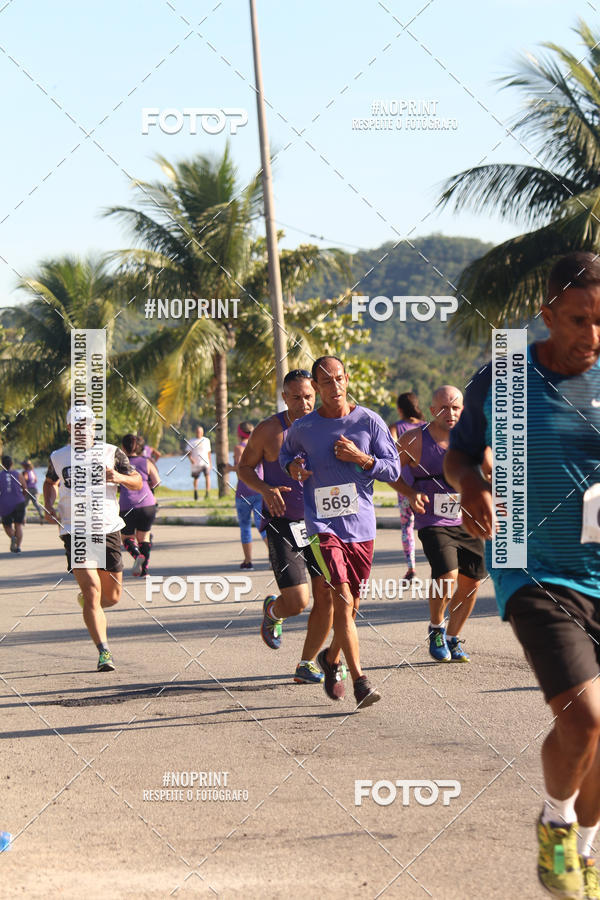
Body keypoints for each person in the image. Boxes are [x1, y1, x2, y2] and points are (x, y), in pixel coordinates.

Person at [445, 251, 600, 899]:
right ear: (546, 315)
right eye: (577, 319)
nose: (591, 336)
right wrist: (474, 484)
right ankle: (555, 819)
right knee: (586, 719)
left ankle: (583, 847)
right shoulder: (508, 374)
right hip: (531, 569)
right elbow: (458, 453)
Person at [280, 356, 401, 708]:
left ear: (347, 379)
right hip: (321, 526)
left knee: (352, 606)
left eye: (339, 379)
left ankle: (330, 660)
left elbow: (393, 470)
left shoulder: (369, 421)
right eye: (326, 382)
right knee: (342, 600)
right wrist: (294, 468)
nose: (334, 387)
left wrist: (361, 458)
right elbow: (285, 458)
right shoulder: (303, 428)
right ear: (316, 387)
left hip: (361, 527)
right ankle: (360, 680)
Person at [238, 369, 333, 685]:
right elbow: (245, 469)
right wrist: (266, 489)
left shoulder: (330, 427)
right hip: (283, 522)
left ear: (316, 393)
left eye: (308, 396)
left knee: (327, 594)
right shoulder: (268, 431)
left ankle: (306, 663)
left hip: (322, 523)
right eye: (296, 397)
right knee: (297, 601)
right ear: (284, 397)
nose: (304, 403)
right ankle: (274, 612)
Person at [392, 386, 487, 664]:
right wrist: (409, 493)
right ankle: (436, 627)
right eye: (444, 408)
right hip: (432, 520)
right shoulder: (414, 439)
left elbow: (490, 470)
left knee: (472, 583)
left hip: (466, 518)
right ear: (432, 410)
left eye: (456, 407)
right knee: (447, 575)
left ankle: (452, 637)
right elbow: (388, 470)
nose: (451, 413)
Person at [43, 405, 142, 672]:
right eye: (76, 425)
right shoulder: (58, 457)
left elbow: (138, 482)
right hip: (74, 531)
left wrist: (118, 476)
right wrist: (49, 504)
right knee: (92, 591)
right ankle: (104, 652)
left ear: (93, 426)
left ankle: (88, 604)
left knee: (112, 597)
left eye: (86, 424)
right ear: (68, 429)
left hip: (108, 529)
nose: (82, 429)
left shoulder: (111, 452)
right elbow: (50, 483)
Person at [389, 392, 426, 580]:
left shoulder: (395, 427)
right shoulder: (426, 427)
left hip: (404, 487)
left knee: (407, 527)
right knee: (432, 526)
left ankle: (411, 566)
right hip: (427, 486)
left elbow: (390, 450)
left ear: (400, 409)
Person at [120, 433, 159, 577]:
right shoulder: (146, 461)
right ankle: (145, 572)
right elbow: (156, 481)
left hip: (127, 505)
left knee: (126, 538)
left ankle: (137, 556)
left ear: (123, 447)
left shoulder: (119, 463)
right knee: (144, 538)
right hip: (148, 504)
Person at [228, 422, 264, 570]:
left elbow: (242, 466)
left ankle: (248, 561)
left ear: (239, 433)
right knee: (263, 525)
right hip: (260, 489)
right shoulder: (260, 445)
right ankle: (273, 558)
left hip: (244, 491)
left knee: (245, 527)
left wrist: (229, 468)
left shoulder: (239, 448)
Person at [0, 455, 27, 553]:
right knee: (18, 525)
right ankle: (18, 546)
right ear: (12, 463)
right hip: (19, 502)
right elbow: (25, 488)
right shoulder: (18, 474)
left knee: (7, 525)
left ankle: (12, 536)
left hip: (4, 503)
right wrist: (21, 497)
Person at [186, 425, 211, 500]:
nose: (199, 433)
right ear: (195, 432)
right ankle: (195, 492)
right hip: (196, 463)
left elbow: (209, 452)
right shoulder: (191, 441)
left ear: (202, 432)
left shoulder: (206, 440)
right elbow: (188, 452)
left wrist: (210, 462)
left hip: (205, 462)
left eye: (200, 432)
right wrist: (191, 459)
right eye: (197, 432)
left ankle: (207, 493)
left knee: (207, 477)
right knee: (196, 478)